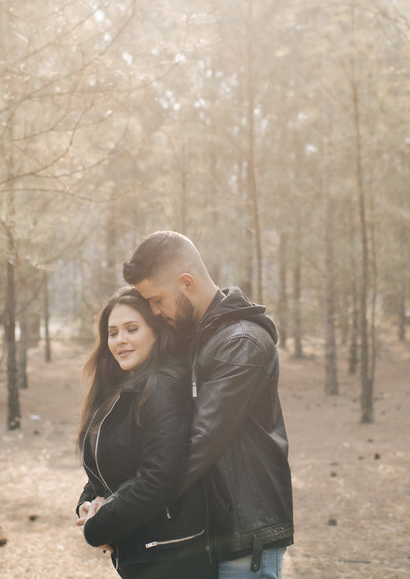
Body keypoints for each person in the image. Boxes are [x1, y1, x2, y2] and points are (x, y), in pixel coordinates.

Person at [123, 231, 293, 579]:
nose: (153, 312)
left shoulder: (241, 342)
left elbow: (198, 442)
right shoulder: (198, 338)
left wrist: (123, 511)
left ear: (186, 282)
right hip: (203, 534)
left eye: (157, 300)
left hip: (244, 538)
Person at [75, 286, 215, 579]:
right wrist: (87, 506)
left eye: (132, 329)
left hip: (172, 558)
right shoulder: (115, 394)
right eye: (112, 332)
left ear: (156, 332)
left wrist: (97, 527)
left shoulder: (163, 387)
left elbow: (158, 479)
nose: (120, 340)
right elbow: (105, 473)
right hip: (141, 554)